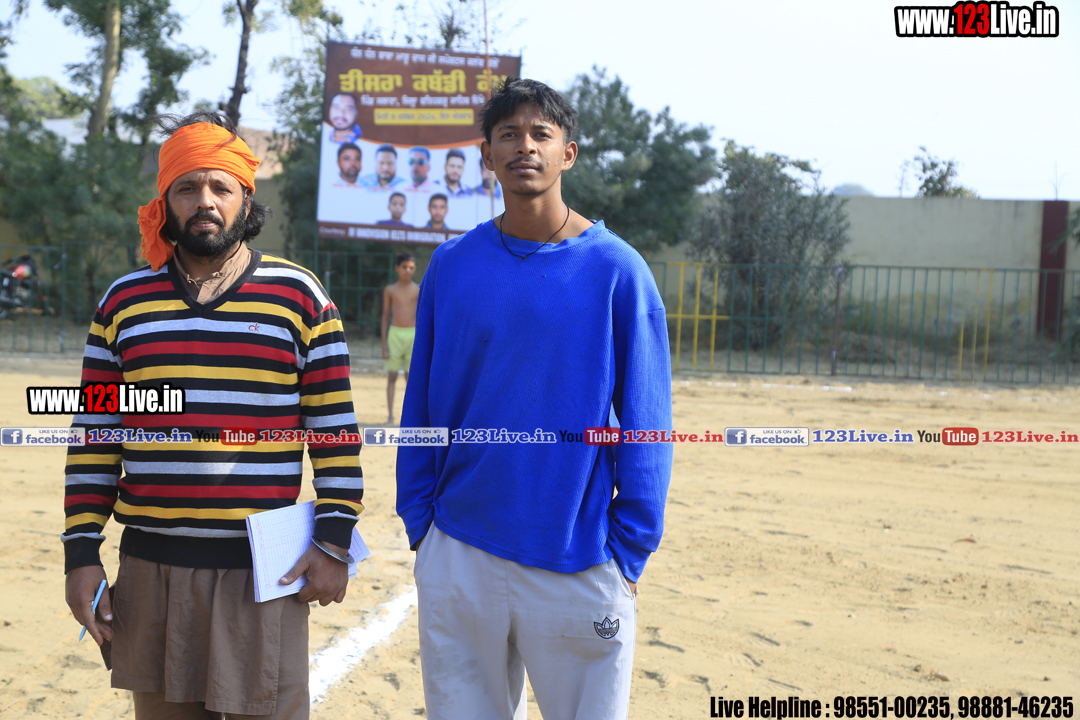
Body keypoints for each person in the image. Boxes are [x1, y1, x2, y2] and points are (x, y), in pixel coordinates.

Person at [63, 111, 364, 720]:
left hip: (264, 572)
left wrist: (334, 542)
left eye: (220, 187)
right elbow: (95, 439)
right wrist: (80, 553)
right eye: (187, 187)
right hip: (150, 571)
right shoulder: (123, 303)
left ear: (245, 199)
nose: (205, 201)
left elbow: (334, 431)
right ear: (165, 202)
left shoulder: (300, 298)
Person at [396, 78, 672, 720]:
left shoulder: (618, 271)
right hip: (459, 549)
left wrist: (630, 549)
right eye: (509, 134)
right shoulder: (451, 266)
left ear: (567, 153)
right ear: (486, 155)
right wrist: (421, 522)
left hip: (579, 557)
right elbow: (422, 406)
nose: (525, 146)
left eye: (541, 134)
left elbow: (647, 419)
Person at [381, 253, 419, 424]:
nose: (407, 270)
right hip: (394, 334)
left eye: (411, 267)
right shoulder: (390, 289)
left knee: (411, 379)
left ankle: (411, 418)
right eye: (404, 267)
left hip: (413, 335)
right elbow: (385, 316)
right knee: (392, 376)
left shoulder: (418, 290)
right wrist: (384, 344)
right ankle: (390, 415)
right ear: (397, 268)